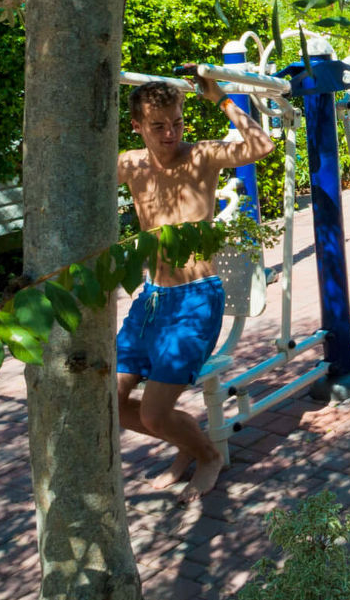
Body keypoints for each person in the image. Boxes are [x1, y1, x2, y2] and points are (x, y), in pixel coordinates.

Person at [116, 74, 275, 500]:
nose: (170, 134)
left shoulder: (201, 156)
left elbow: (262, 147)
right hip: (150, 301)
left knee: (152, 414)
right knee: (107, 402)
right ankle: (185, 444)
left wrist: (221, 98)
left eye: (176, 123)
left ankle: (207, 455)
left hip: (195, 300)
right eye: (158, 126)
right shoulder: (129, 163)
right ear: (136, 125)